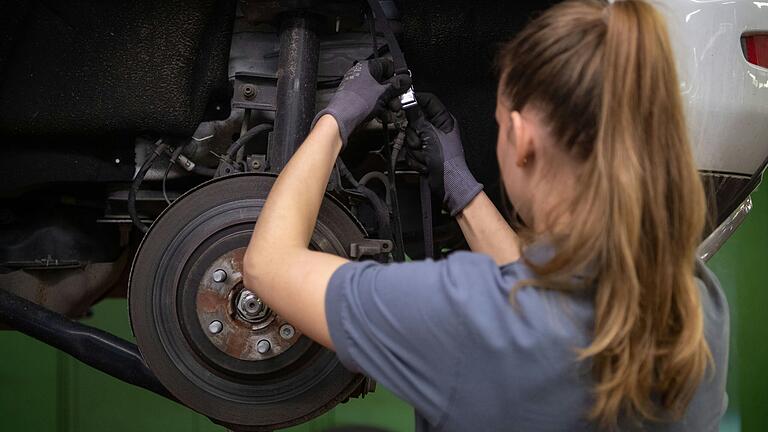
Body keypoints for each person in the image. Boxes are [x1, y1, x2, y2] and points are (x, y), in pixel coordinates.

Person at [243, 0, 728, 430]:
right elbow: (532, 301)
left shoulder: (462, 314)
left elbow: (268, 265)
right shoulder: (695, 303)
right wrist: (461, 187)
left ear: (522, 139)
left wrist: (336, 119)